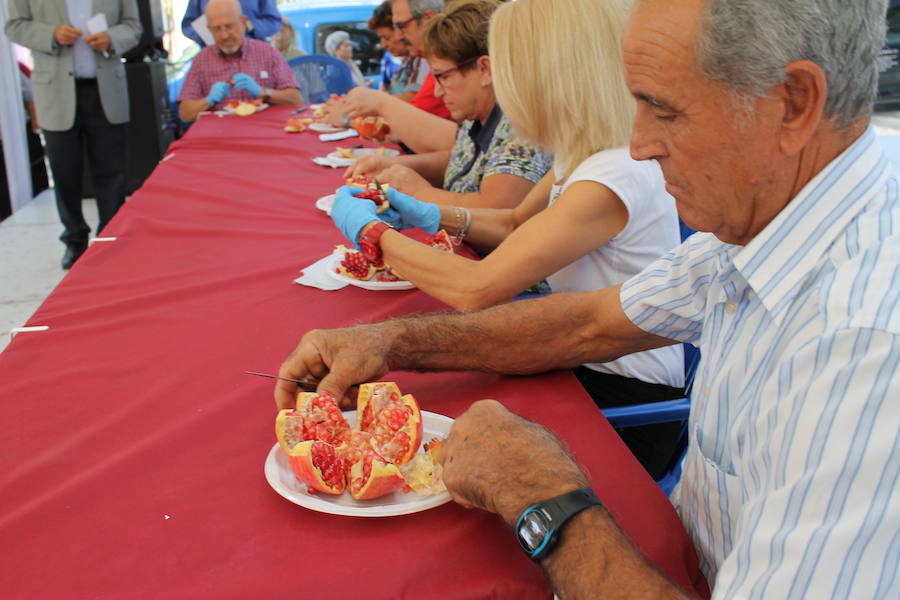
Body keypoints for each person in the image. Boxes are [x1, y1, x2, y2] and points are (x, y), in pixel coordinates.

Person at [274, 0, 899, 596]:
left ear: (792, 104)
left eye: (663, 109)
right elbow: (591, 323)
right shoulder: (768, 208)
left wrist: (541, 495)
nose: (641, 144)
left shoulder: (864, 345)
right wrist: (393, 339)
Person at [329, 0, 683, 476]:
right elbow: (516, 223)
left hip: (618, 399)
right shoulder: (583, 153)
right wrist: (433, 214)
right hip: (571, 353)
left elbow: (478, 287)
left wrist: (373, 234)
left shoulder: (615, 172)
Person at [343, 0, 551, 210]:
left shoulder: (522, 127)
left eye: (442, 76)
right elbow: (459, 162)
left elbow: (494, 211)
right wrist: (394, 166)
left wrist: (418, 192)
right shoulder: (478, 115)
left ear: (484, 70)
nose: (438, 91)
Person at [6, 0, 141, 269]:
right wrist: (51, 34)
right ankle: (74, 239)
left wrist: (111, 38)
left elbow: (134, 26)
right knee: (65, 172)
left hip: (105, 90)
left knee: (112, 172)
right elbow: (14, 26)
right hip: (55, 91)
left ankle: (109, 239)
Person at [177, 0, 301, 123]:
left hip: (263, 129)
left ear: (244, 23)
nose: (224, 35)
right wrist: (208, 100)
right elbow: (185, 114)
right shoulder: (201, 60)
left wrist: (263, 92)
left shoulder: (268, 53)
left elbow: (295, 99)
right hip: (219, 134)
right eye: (216, 29)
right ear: (208, 29)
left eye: (229, 26)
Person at [369, 0, 426, 101]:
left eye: (386, 38)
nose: (383, 44)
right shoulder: (408, 61)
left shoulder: (422, 58)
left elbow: (414, 97)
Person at [182, 0, 280, 47]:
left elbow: (273, 21)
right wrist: (209, 35)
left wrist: (248, 26)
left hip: (254, 58)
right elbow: (187, 26)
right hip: (214, 62)